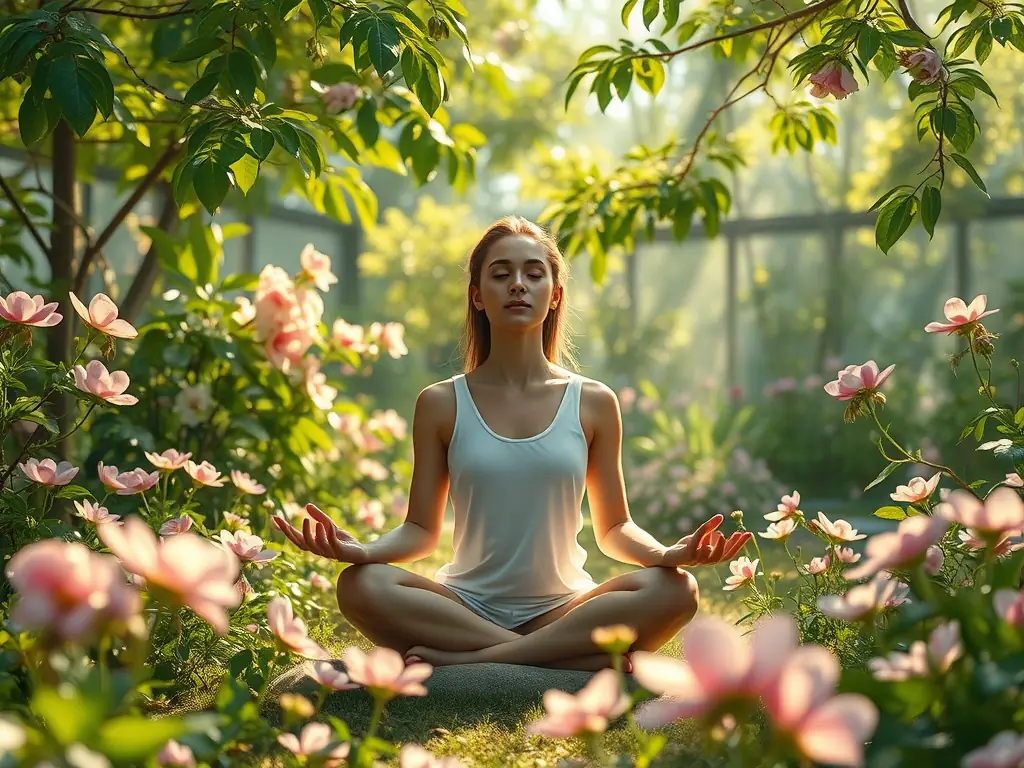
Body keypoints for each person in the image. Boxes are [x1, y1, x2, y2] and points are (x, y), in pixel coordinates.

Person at [273, 216, 751, 672]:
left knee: (677, 590)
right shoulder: (440, 403)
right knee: (360, 585)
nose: (518, 284)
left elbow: (614, 527)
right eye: (501, 274)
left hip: (566, 606)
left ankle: (471, 659)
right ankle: (563, 656)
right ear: (478, 296)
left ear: (555, 294)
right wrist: (365, 551)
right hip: (464, 606)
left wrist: (665, 555)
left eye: (533, 273)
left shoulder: (594, 402)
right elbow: (420, 529)